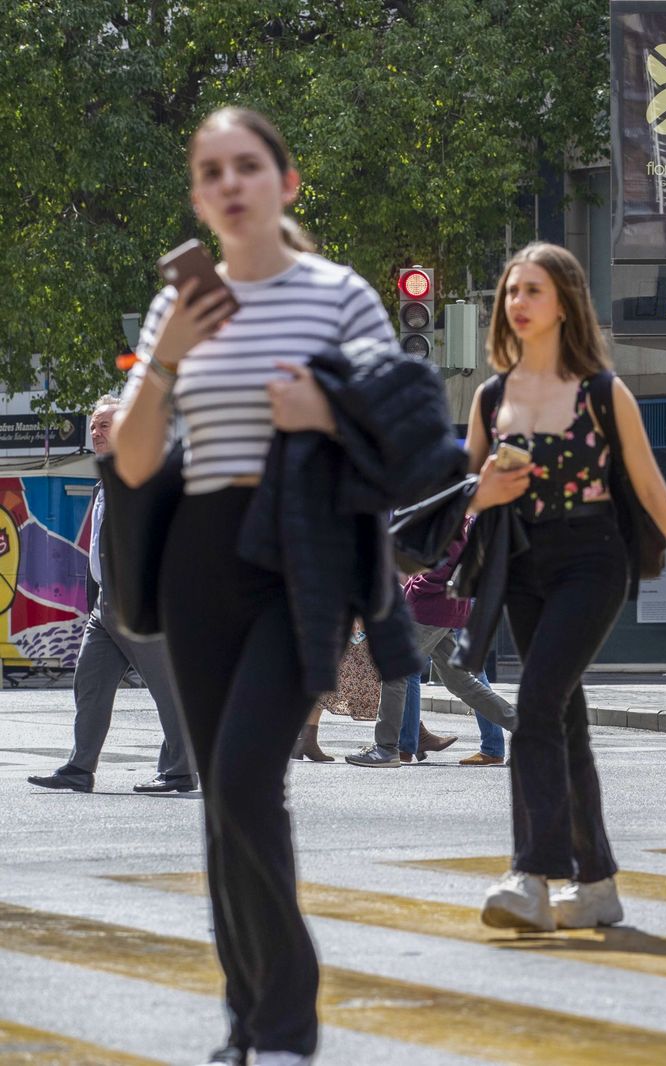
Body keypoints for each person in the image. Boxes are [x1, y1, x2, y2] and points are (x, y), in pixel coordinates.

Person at [111, 107, 434, 1066]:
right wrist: (163, 363)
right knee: (222, 796)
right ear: (199, 195)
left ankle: (288, 1024)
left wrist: (323, 414)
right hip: (199, 560)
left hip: (304, 558)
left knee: (250, 781)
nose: (230, 183)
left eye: (248, 166)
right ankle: (248, 1022)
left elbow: (410, 440)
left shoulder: (340, 295)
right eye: (212, 171)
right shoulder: (181, 309)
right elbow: (133, 463)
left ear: (285, 183)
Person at [457, 241, 666, 933]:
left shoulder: (603, 393)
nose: (517, 303)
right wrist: (484, 491)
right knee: (563, 718)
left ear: (565, 302)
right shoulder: (490, 397)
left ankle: (532, 876)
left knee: (537, 702)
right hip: (521, 564)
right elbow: (467, 497)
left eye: (533, 291)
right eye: (511, 291)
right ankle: (598, 884)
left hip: (592, 559)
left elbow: (650, 488)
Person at [26, 395, 197, 795]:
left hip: (144, 604)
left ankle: (180, 771)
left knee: (167, 691)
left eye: (105, 425)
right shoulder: (107, 480)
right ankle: (79, 768)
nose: (96, 432)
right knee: (89, 685)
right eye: (94, 426)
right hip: (105, 607)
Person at [347, 521, 516, 768]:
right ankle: (526, 728)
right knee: (460, 681)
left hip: (430, 609)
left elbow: (448, 561)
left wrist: (417, 588)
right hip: (444, 609)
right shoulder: (453, 509)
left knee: (396, 672)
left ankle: (386, 749)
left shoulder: (447, 509)